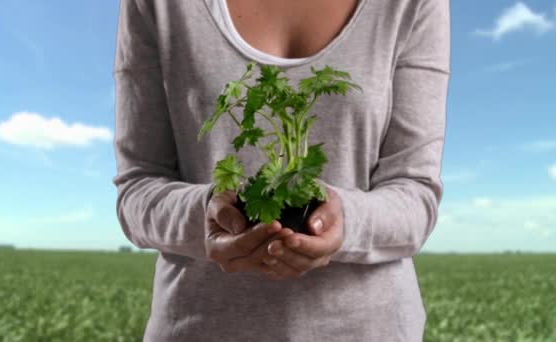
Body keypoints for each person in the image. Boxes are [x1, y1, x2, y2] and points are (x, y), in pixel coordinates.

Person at [112, 0, 450, 340]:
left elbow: (416, 193)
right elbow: (137, 188)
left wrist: (347, 222)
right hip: (198, 327)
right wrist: (204, 214)